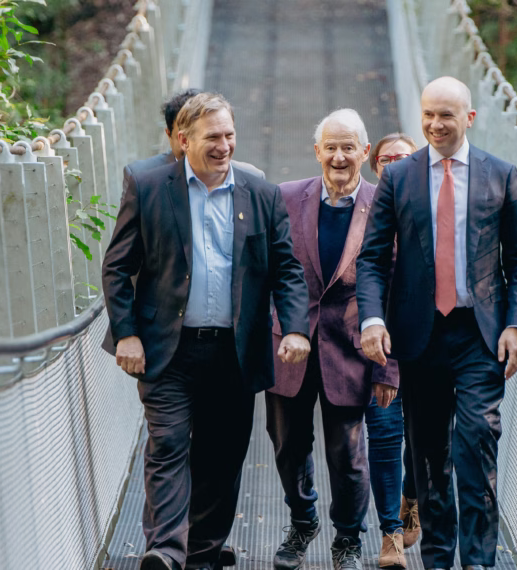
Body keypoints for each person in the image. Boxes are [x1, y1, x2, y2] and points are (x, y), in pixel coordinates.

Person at [102, 92, 311, 570]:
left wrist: (295, 328)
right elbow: (117, 267)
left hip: (233, 352)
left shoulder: (260, 193)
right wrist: (127, 333)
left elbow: (286, 269)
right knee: (168, 445)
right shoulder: (148, 185)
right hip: (168, 350)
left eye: (229, 135)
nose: (224, 146)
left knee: (222, 456)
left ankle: (200, 553)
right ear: (183, 139)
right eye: (212, 137)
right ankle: (165, 550)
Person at [356, 77, 517, 570]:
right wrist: (372, 318)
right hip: (420, 335)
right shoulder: (399, 177)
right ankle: (437, 560)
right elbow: (373, 258)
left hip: (480, 333)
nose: (435, 125)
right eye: (428, 115)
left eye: (446, 116)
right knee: (430, 456)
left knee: (476, 442)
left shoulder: (501, 175)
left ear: (469, 118)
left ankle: (477, 562)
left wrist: (516, 325)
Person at [265, 109, 398, 570]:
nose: (339, 157)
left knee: (348, 454)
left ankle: (347, 537)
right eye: (331, 147)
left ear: (365, 152)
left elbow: (396, 292)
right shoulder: (284, 198)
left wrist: (388, 369)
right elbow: (266, 273)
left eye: (348, 148)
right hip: (290, 347)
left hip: (352, 352)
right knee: (287, 447)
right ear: (317, 151)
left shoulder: (385, 205)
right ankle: (303, 521)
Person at [361, 132, 420, 570]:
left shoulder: (435, 205)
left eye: (405, 157)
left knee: (426, 439)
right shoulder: (362, 209)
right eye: (387, 159)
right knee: (384, 435)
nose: (395, 164)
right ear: (376, 165)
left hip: (425, 345)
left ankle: (411, 496)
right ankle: (391, 535)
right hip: (377, 345)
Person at [121, 88, 264, 205]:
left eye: (228, 135)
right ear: (173, 136)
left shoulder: (252, 179)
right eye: (212, 137)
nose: (190, 146)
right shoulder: (141, 180)